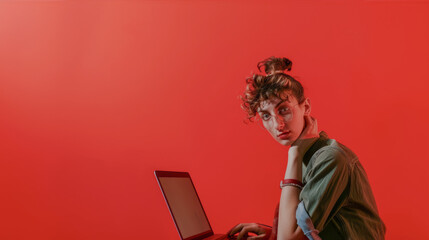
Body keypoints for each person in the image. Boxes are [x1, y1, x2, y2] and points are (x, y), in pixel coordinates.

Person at [227, 57, 386, 240]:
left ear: (306, 107)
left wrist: (294, 154)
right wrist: (272, 233)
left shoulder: (330, 158)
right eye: (265, 115)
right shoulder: (308, 158)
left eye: (284, 109)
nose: (277, 124)